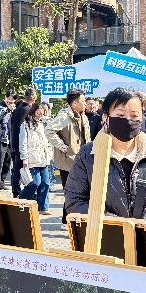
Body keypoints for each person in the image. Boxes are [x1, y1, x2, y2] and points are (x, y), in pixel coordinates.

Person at [65, 88, 146, 220]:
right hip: (107, 237)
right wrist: (114, 224)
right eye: (120, 115)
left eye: (134, 116)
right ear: (106, 116)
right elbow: (74, 201)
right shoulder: (88, 154)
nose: (128, 120)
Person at [46, 89, 91, 222]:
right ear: (75, 102)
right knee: (71, 192)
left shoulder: (83, 116)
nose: (85, 104)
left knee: (80, 192)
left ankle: (73, 219)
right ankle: (66, 221)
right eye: (83, 101)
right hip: (68, 161)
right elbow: (49, 130)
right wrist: (61, 146)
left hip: (82, 160)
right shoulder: (65, 116)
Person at [18, 103, 54, 214]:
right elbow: (22, 142)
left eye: (42, 113)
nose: (40, 115)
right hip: (32, 157)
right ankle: (21, 200)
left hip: (44, 157)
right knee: (35, 182)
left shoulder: (44, 124)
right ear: (33, 111)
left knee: (45, 183)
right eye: (38, 113)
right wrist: (24, 158)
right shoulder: (26, 125)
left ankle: (43, 207)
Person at [10, 88, 37, 196]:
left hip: (15, 142)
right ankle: (23, 191)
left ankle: (15, 190)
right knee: (23, 168)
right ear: (34, 98)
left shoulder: (17, 109)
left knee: (17, 168)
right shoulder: (29, 111)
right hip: (24, 143)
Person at [0, 91, 16, 192]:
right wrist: (6, 111)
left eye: (12, 100)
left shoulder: (13, 108)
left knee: (7, 162)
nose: (10, 101)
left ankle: (2, 182)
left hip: (9, 139)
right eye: (9, 99)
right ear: (5, 98)